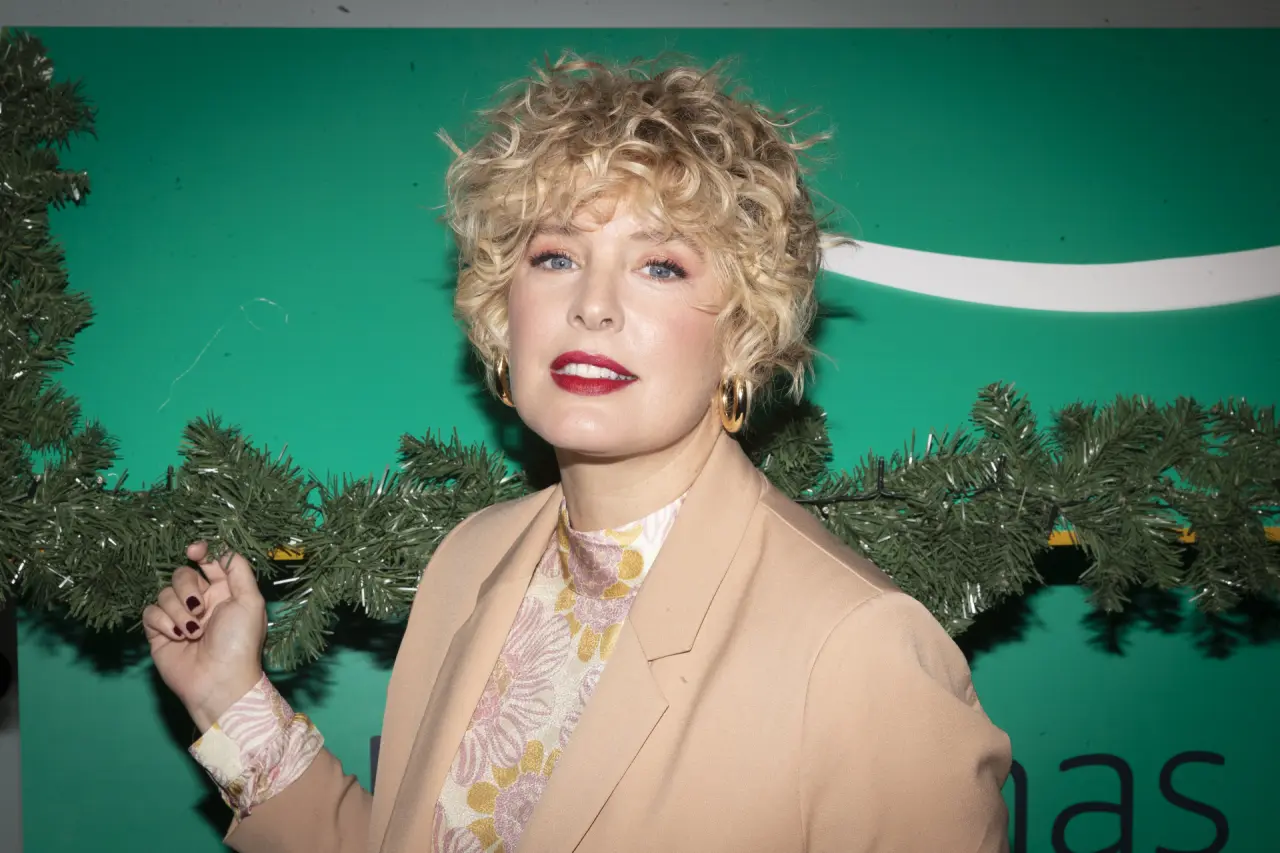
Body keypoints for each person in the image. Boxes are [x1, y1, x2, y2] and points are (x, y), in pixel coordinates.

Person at [142, 55, 1012, 853]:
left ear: (743, 329)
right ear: (503, 306)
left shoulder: (858, 648)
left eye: (660, 265)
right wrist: (231, 701)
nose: (592, 305)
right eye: (556, 255)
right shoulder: (469, 559)